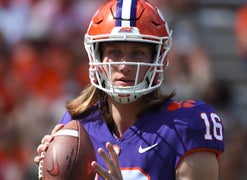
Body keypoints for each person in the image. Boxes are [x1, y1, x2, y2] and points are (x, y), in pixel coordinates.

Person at [33, 0, 225, 179]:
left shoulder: (187, 125)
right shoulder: (76, 125)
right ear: (97, 58)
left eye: (138, 52)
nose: (125, 65)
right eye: (114, 52)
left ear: (157, 59)